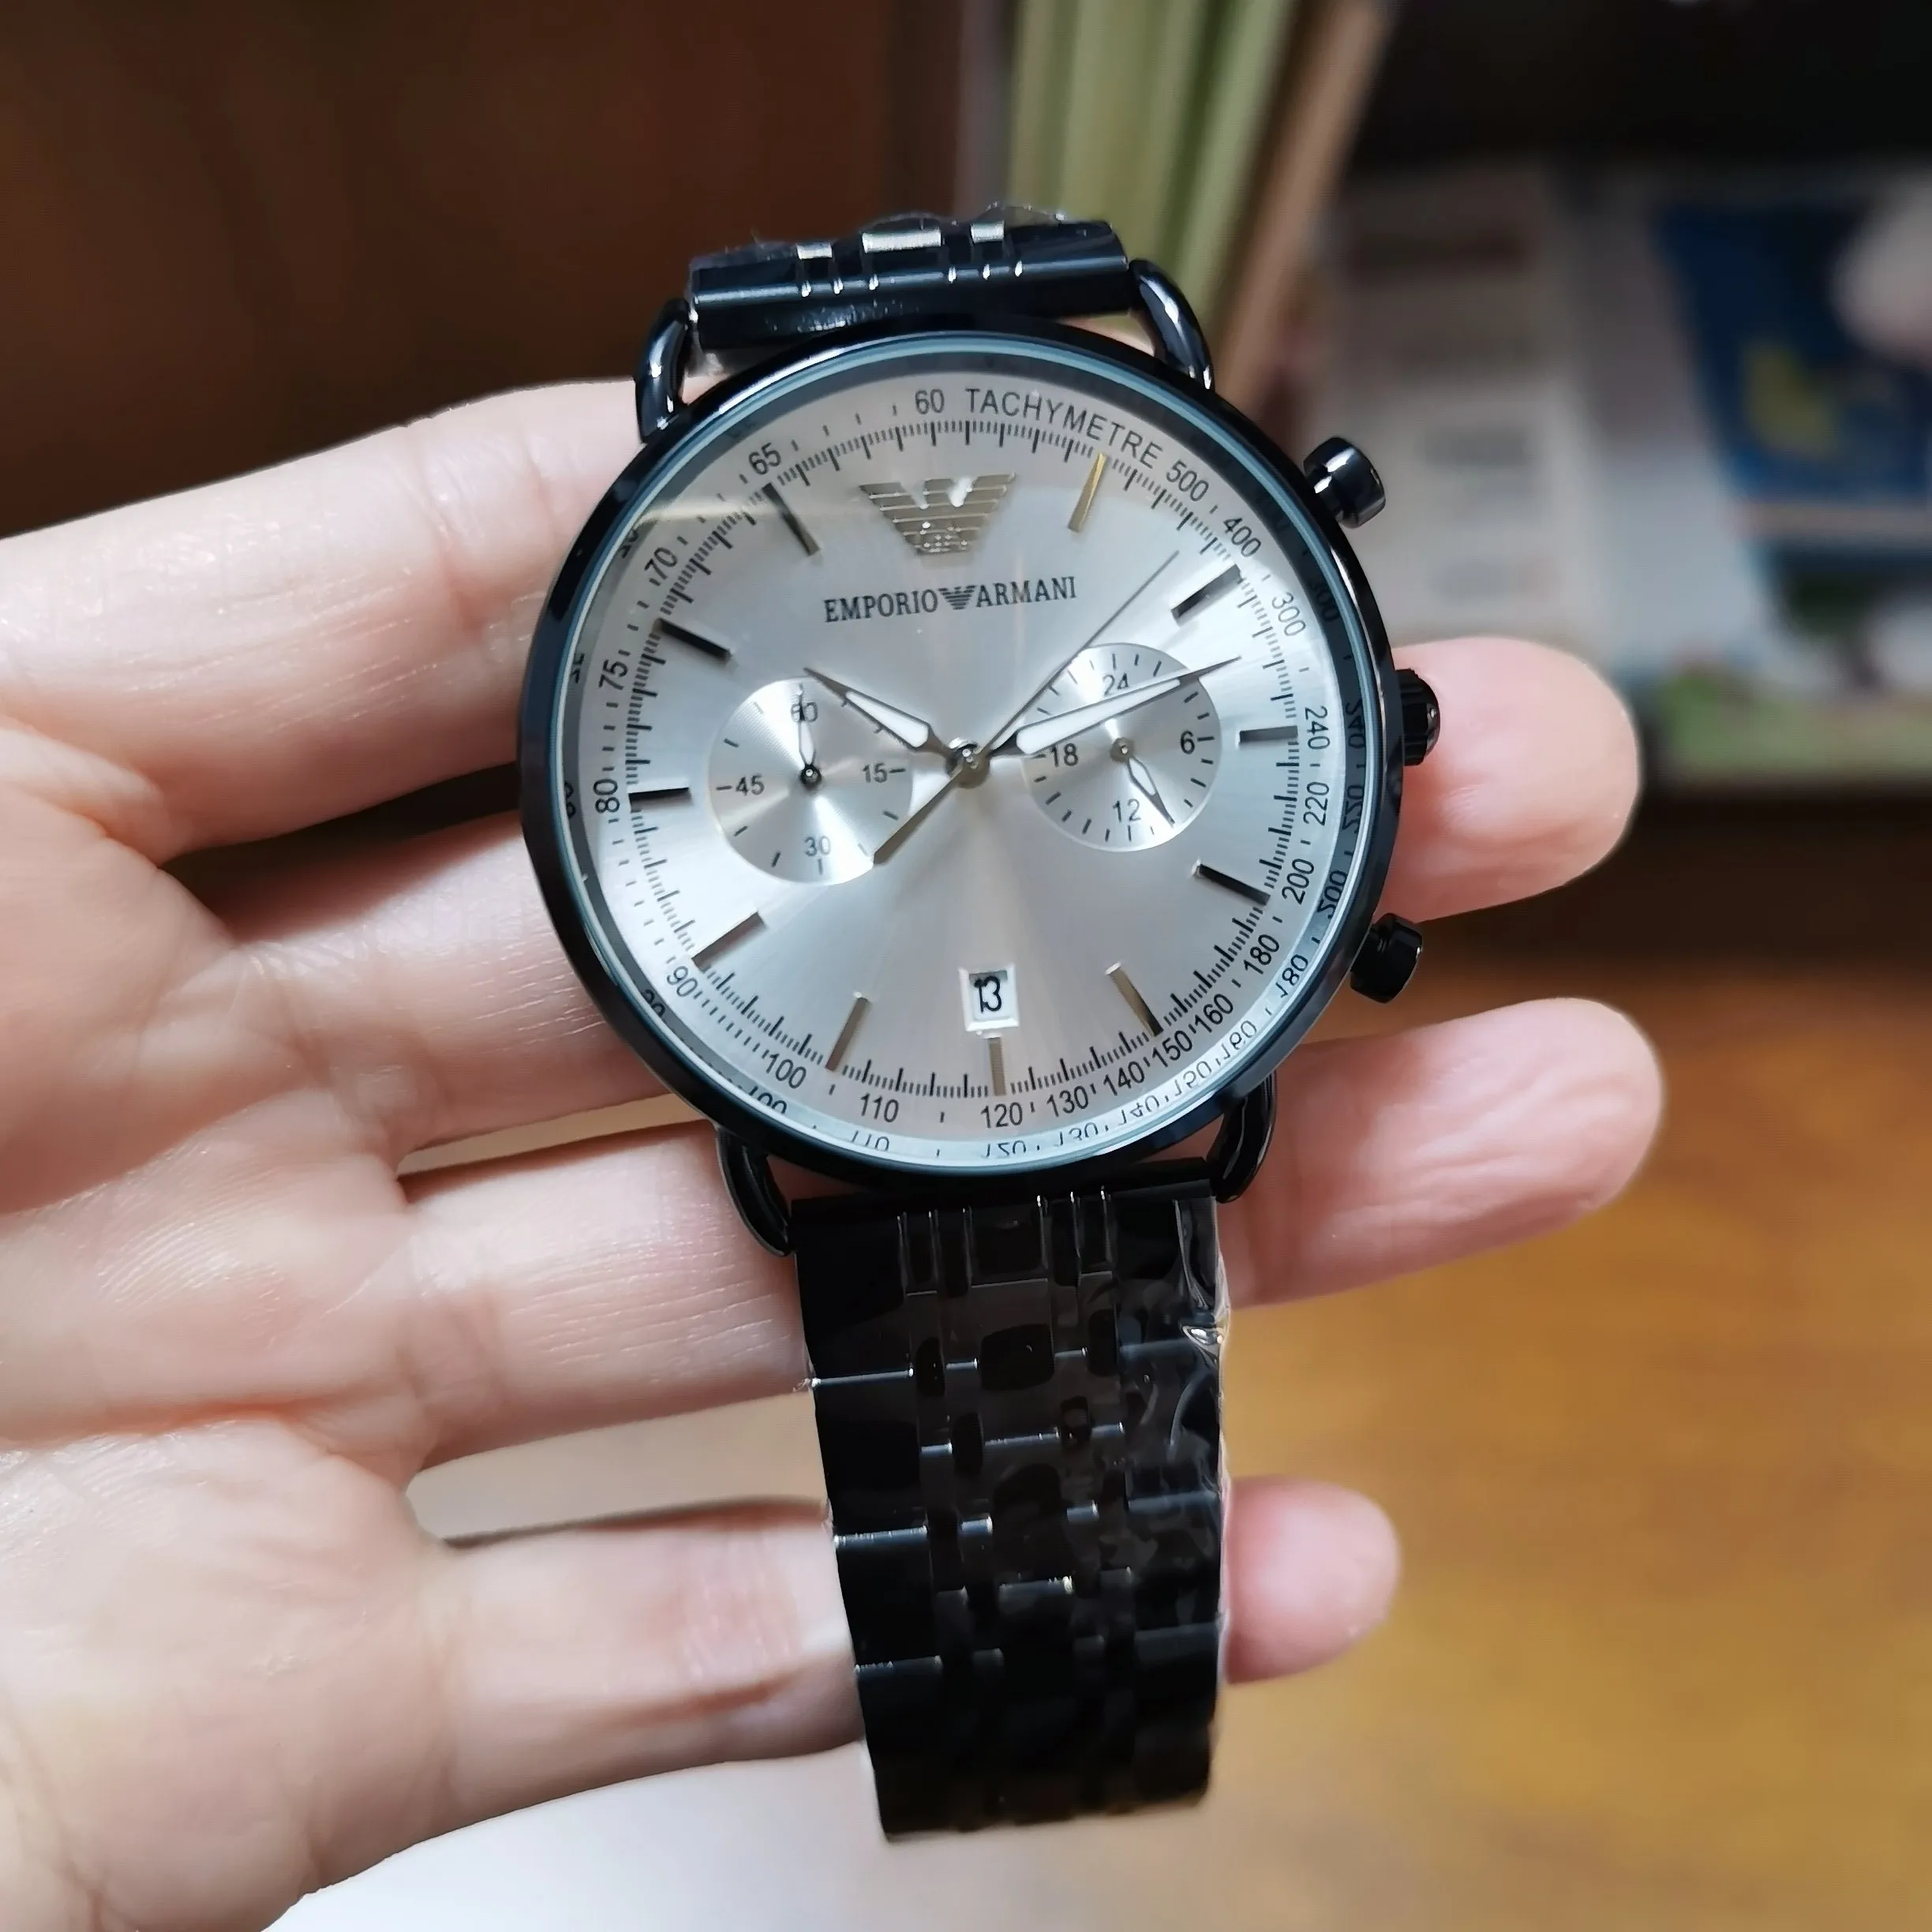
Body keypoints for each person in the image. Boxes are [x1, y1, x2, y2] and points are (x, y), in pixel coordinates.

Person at [0, 382, 1659, 1931]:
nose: (970, 768)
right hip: (878, 1111)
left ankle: (1074, 1731)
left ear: (1385, 724)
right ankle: (1046, 1736)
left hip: (1105, 1093)